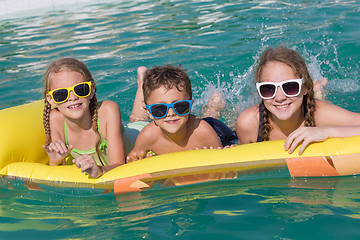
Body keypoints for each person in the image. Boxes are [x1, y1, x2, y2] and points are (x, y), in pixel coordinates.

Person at [236, 46, 360, 155]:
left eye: (290, 87)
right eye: (268, 89)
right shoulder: (248, 123)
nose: (279, 97)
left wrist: (327, 131)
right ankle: (216, 105)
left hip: (309, 106)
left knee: (318, 99)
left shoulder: (320, 114)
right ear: (259, 92)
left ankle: (318, 89)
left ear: (305, 87)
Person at [126, 64, 236, 162]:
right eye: (160, 109)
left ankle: (215, 104)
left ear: (190, 105)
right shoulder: (148, 136)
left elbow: (222, 165)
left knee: (210, 118)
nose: (171, 113)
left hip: (215, 129)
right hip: (191, 123)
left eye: (180, 106)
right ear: (149, 112)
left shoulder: (203, 132)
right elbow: (131, 161)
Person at [42, 58, 128, 178]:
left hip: (134, 138)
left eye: (80, 89)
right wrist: (56, 160)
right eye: (61, 94)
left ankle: (141, 84)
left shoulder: (108, 110)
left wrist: (100, 171)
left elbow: (120, 166)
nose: (72, 98)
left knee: (138, 120)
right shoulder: (56, 119)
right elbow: (55, 175)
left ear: (92, 90)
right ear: (51, 99)